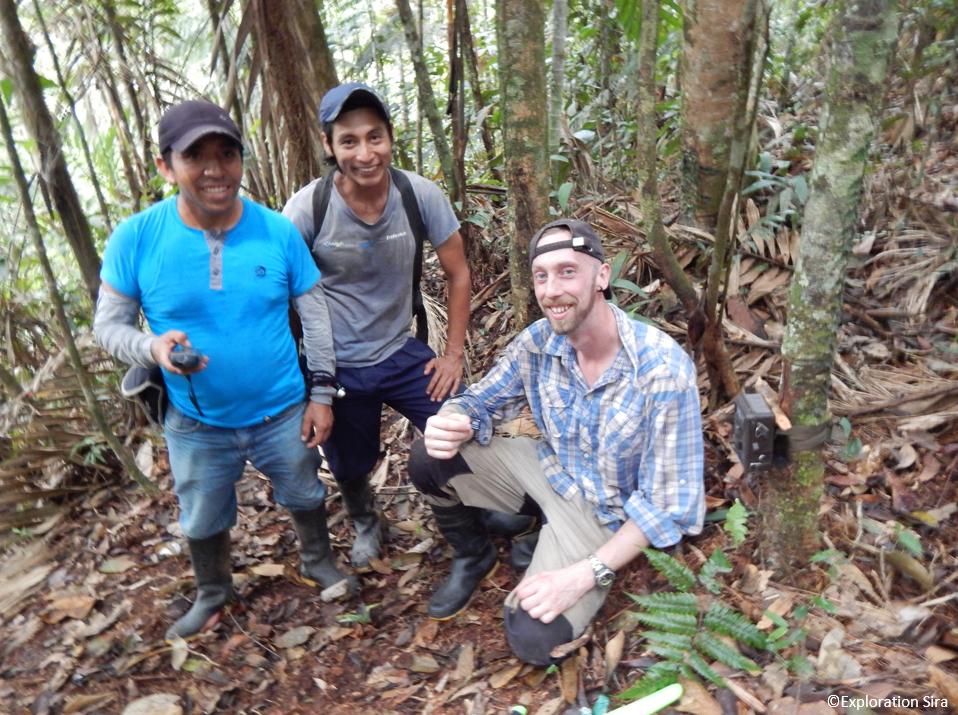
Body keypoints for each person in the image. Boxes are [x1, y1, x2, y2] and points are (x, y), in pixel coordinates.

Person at [93, 99, 355, 640]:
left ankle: (318, 560)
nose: (215, 169)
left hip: (283, 407)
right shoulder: (136, 238)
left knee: (304, 490)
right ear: (166, 166)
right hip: (196, 420)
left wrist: (321, 395)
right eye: (196, 156)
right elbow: (108, 327)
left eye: (227, 154)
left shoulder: (276, 231)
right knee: (202, 513)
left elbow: (315, 316)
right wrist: (152, 348)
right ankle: (213, 591)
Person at [407, 219, 705, 663]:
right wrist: (455, 419)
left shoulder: (661, 370)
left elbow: (667, 506)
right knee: (429, 458)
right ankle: (476, 554)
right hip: (551, 471)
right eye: (542, 276)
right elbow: (481, 400)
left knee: (535, 637)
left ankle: (551, 543)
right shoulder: (538, 343)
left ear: (601, 276)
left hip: (606, 514)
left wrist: (585, 574)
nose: (552, 290)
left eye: (568, 272)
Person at [282, 83, 531, 573]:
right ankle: (366, 520)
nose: (365, 153)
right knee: (348, 459)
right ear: (329, 145)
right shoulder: (308, 209)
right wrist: (308, 385)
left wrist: (453, 355)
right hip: (337, 365)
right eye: (349, 141)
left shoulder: (418, 195)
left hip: (400, 350)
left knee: (459, 422)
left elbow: (459, 273)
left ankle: (478, 504)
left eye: (374, 137)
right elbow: (284, 295)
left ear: (390, 138)